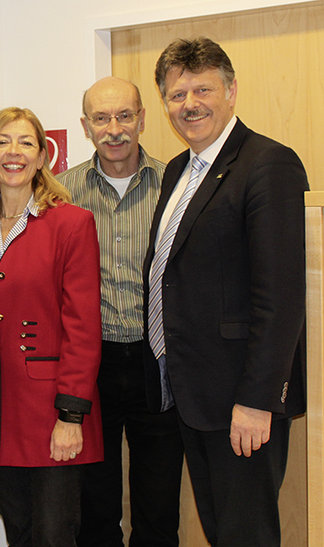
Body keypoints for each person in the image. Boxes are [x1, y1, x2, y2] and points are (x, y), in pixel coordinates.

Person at [145, 37, 307, 546]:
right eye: (177, 94)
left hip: (241, 397)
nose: (189, 104)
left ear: (231, 91)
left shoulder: (268, 164)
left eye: (203, 90)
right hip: (192, 390)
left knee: (245, 534)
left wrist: (257, 400)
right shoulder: (178, 170)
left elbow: (280, 298)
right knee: (221, 531)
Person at [0, 106, 103, 546]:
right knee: (18, 534)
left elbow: (82, 328)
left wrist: (71, 415)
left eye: (25, 143)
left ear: (41, 157)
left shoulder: (72, 224)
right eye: (2, 142)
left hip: (52, 412)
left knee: (54, 536)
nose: (13, 152)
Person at [57, 77, 183, 546]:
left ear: (142, 119)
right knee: (94, 508)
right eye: (102, 118)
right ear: (85, 126)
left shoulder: (176, 185)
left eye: (125, 116)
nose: (114, 129)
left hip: (159, 360)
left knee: (159, 506)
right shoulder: (60, 193)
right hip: (90, 365)